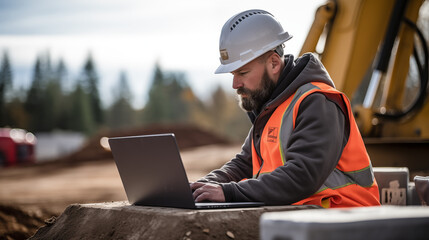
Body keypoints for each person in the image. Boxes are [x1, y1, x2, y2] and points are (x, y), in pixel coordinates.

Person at [190, 9, 380, 208]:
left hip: (346, 219)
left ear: (273, 63)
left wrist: (229, 192)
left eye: (243, 73)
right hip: (304, 216)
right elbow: (243, 165)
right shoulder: (273, 106)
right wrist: (202, 185)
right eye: (233, 75)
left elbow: (301, 176)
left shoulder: (318, 102)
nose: (235, 84)